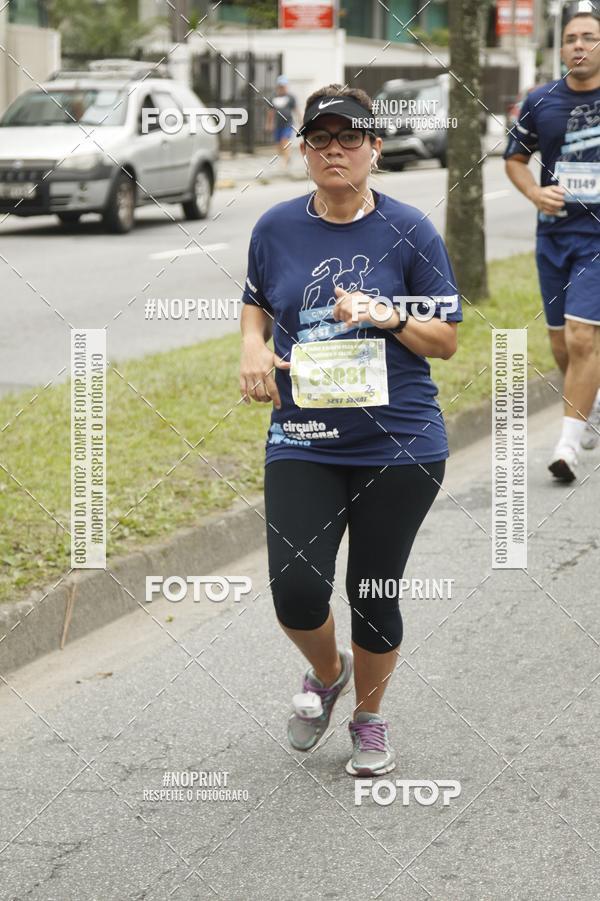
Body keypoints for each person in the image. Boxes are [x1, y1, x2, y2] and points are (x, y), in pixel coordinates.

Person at [239, 85, 462, 777]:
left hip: (399, 442)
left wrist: (385, 313)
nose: (335, 149)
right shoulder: (275, 228)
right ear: (303, 150)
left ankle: (369, 717)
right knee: (296, 589)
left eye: (350, 137)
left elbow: (445, 339)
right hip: (302, 435)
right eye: (321, 138)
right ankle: (329, 673)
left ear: (375, 148)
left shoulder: (411, 230)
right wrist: (250, 346)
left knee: (373, 591)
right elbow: (254, 302)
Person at [504, 10, 600, 483]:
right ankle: (590, 401)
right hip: (554, 236)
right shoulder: (540, 101)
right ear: (561, 49)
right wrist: (535, 194)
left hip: (597, 239)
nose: (579, 45)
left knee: (582, 337)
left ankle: (566, 447)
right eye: (571, 38)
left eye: (589, 37)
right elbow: (515, 160)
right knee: (562, 343)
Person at [266, 75, 297, 170]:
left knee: (284, 140)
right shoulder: (273, 97)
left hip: (288, 123)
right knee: (279, 145)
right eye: (280, 86)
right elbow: (270, 112)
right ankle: (287, 157)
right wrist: (269, 124)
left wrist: (301, 120)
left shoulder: (290, 97)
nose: (282, 88)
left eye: (284, 86)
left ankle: (285, 162)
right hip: (278, 124)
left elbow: (296, 109)